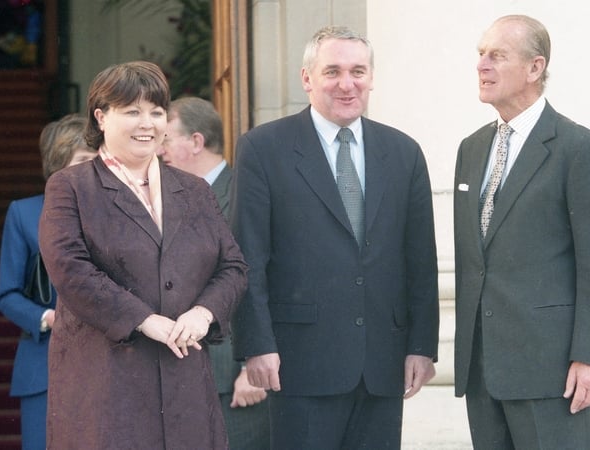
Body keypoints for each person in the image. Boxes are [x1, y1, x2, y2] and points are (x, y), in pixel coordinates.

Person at [231, 25, 440, 449]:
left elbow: (421, 260)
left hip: (383, 362)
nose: (347, 84)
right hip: (298, 362)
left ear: (372, 78)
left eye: (358, 71)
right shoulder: (263, 148)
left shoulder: (404, 152)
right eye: (333, 72)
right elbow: (247, 255)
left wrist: (422, 345)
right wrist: (257, 345)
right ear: (307, 79)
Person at [38, 61, 248, 449]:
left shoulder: (195, 189)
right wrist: (144, 319)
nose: (147, 123)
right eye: (132, 111)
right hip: (107, 385)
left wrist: (204, 313)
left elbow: (232, 266)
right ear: (101, 117)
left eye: (156, 112)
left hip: (186, 383)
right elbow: (69, 270)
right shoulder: (71, 187)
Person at [453, 15, 590, 449]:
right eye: (480, 54)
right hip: (482, 369)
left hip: (551, 373)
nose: (482, 65)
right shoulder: (471, 149)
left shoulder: (580, 149)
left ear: (535, 68)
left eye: (497, 55)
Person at [159, 96, 270, 449]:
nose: (159, 149)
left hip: (237, 378)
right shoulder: (174, 197)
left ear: (195, 141)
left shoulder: (245, 192)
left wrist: (253, 365)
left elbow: (258, 280)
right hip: (190, 374)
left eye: (166, 138)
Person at [0, 114, 97, 450]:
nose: (92, 168)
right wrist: (48, 318)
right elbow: (7, 294)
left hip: (109, 364)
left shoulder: (120, 211)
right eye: (83, 160)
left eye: (97, 160)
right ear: (58, 162)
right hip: (45, 364)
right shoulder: (23, 214)